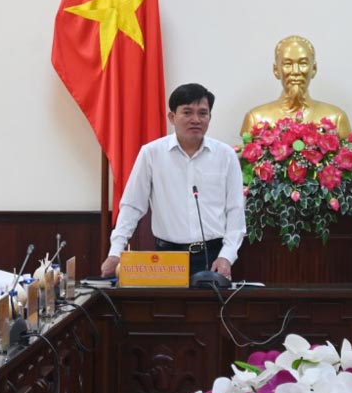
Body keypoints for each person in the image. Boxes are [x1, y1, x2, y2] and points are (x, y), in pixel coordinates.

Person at [100, 83, 245, 278]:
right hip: (167, 258)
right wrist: (115, 252)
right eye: (187, 112)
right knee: (167, 309)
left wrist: (226, 257)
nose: (196, 119)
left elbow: (235, 210)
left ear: (210, 117)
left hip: (213, 257)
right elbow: (132, 206)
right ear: (172, 117)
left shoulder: (225, 155)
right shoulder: (151, 154)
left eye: (203, 113)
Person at [240, 36, 352, 138]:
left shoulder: (336, 118)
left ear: (313, 69)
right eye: (287, 64)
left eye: (303, 63)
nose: (296, 71)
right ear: (276, 70)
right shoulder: (256, 119)